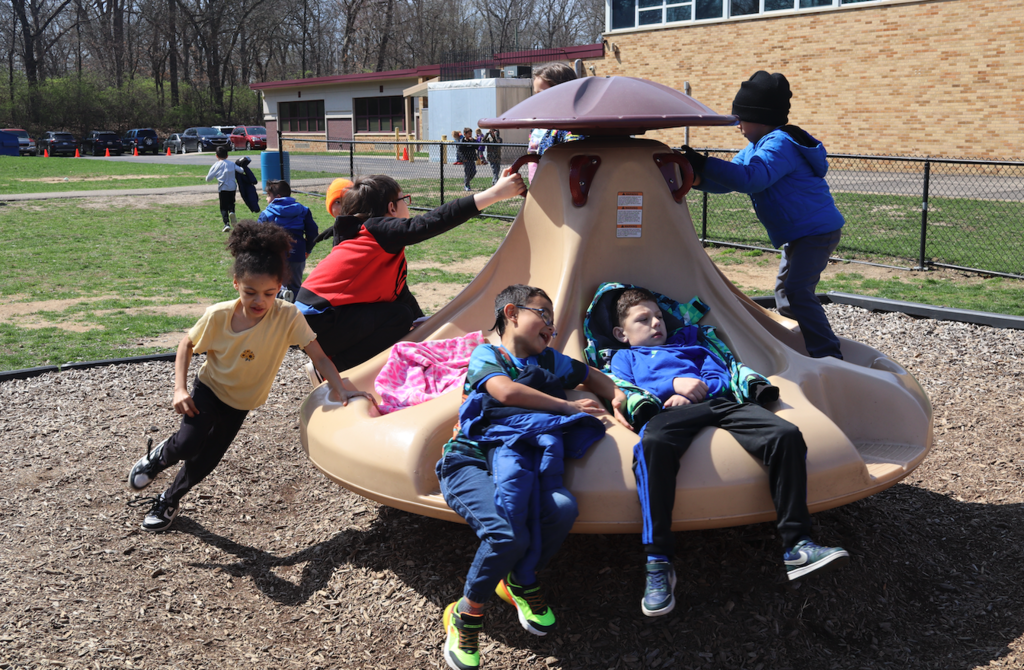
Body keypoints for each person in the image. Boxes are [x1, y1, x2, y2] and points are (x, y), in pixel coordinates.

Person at [609, 288, 849, 617]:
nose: (655, 323)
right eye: (643, 319)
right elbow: (624, 385)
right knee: (652, 447)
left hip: (719, 403)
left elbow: (720, 373)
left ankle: (798, 544)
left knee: (785, 434)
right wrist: (673, 386)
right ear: (622, 334)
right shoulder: (625, 357)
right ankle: (658, 562)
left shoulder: (691, 344)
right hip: (668, 412)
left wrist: (698, 388)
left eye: (659, 317)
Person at [126, 221, 369, 532]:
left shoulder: (288, 317)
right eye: (250, 292)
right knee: (188, 444)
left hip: (241, 402)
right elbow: (187, 343)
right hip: (210, 389)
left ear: (280, 286)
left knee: (207, 460)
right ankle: (160, 457)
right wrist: (179, 389)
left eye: (269, 293)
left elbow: (319, 355)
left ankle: (170, 499)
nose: (259, 301)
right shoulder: (218, 316)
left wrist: (342, 389)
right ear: (236, 284)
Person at [438, 284, 629, 670]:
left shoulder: (549, 362)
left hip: (515, 464)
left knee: (561, 508)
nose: (552, 328)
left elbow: (592, 377)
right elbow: (505, 393)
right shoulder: (487, 354)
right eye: (544, 316)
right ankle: (465, 614)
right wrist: (566, 407)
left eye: (554, 324)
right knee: (505, 534)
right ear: (511, 313)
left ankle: (519, 579)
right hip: (469, 462)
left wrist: (617, 394)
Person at [681, 71, 845, 359]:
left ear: (760, 118)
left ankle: (828, 353)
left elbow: (751, 180)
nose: (738, 126)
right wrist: (695, 179)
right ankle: (803, 339)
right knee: (785, 294)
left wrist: (702, 162)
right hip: (800, 232)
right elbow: (731, 181)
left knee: (797, 291)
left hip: (816, 232)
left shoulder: (780, 144)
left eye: (741, 119)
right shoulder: (756, 146)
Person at [295, 170, 526, 372]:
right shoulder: (376, 229)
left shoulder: (373, 244)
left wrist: (426, 329)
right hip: (319, 322)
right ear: (392, 208)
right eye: (404, 198)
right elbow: (430, 222)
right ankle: (337, 367)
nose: (408, 203)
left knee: (403, 312)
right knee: (399, 316)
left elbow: (400, 294)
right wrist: (495, 194)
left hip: (318, 324)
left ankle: (339, 362)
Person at [258, 179, 318, 302]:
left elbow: (259, 237)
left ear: (278, 197)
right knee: (295, 286)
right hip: (297, 253)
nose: (266, 199)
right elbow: (313, 232)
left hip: (276, 254)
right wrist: (308, 249)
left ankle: (280, 296)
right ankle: (293, 314)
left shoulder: (267, 214)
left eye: (268, 195)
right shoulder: (303, 210)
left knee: (273, 284)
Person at [527, 62, 581, 183]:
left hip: (560, 192)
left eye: (542, 94)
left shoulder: (572, 128)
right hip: (537, 189)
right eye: (535, 94)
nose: (537, 99)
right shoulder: (537, 126)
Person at [206, 145, 245, 232]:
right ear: (227, 156)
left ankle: (226, 223)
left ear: (216, 156)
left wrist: (215, 175)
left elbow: (208, 178)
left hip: (222, 187)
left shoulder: (216, 165)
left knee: (223, 207)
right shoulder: (231, 164)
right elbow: (241, 170)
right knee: (231, 202)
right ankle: (232, 211)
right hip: (232, 187)